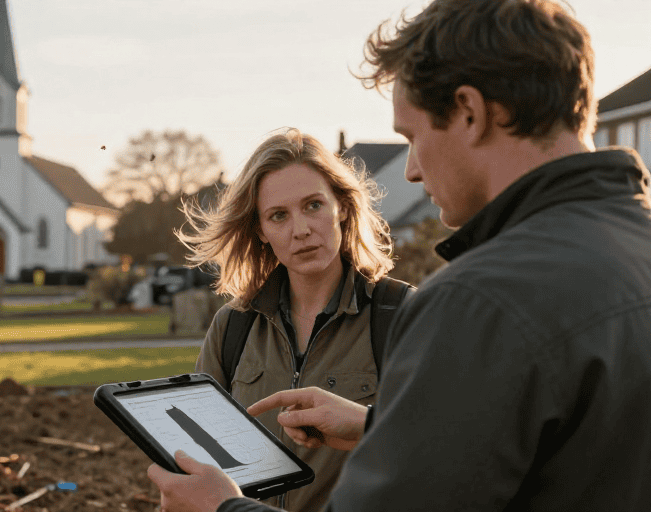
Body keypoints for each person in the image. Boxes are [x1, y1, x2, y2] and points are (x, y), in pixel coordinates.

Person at [148, 0, 651, 511]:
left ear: (471, 113)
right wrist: (376, 425)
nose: (410, 170)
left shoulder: (477, 302)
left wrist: (221, 508)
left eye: (412, 136)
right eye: (278, 215)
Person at [175, 128, 411, 512]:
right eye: (279, 215)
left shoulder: (401, 315)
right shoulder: (232, 326)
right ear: (261, 231)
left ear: (343, 207)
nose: (300, 230)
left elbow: (442, 447)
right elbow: (199, 457)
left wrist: (367, 422)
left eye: (314, 205)